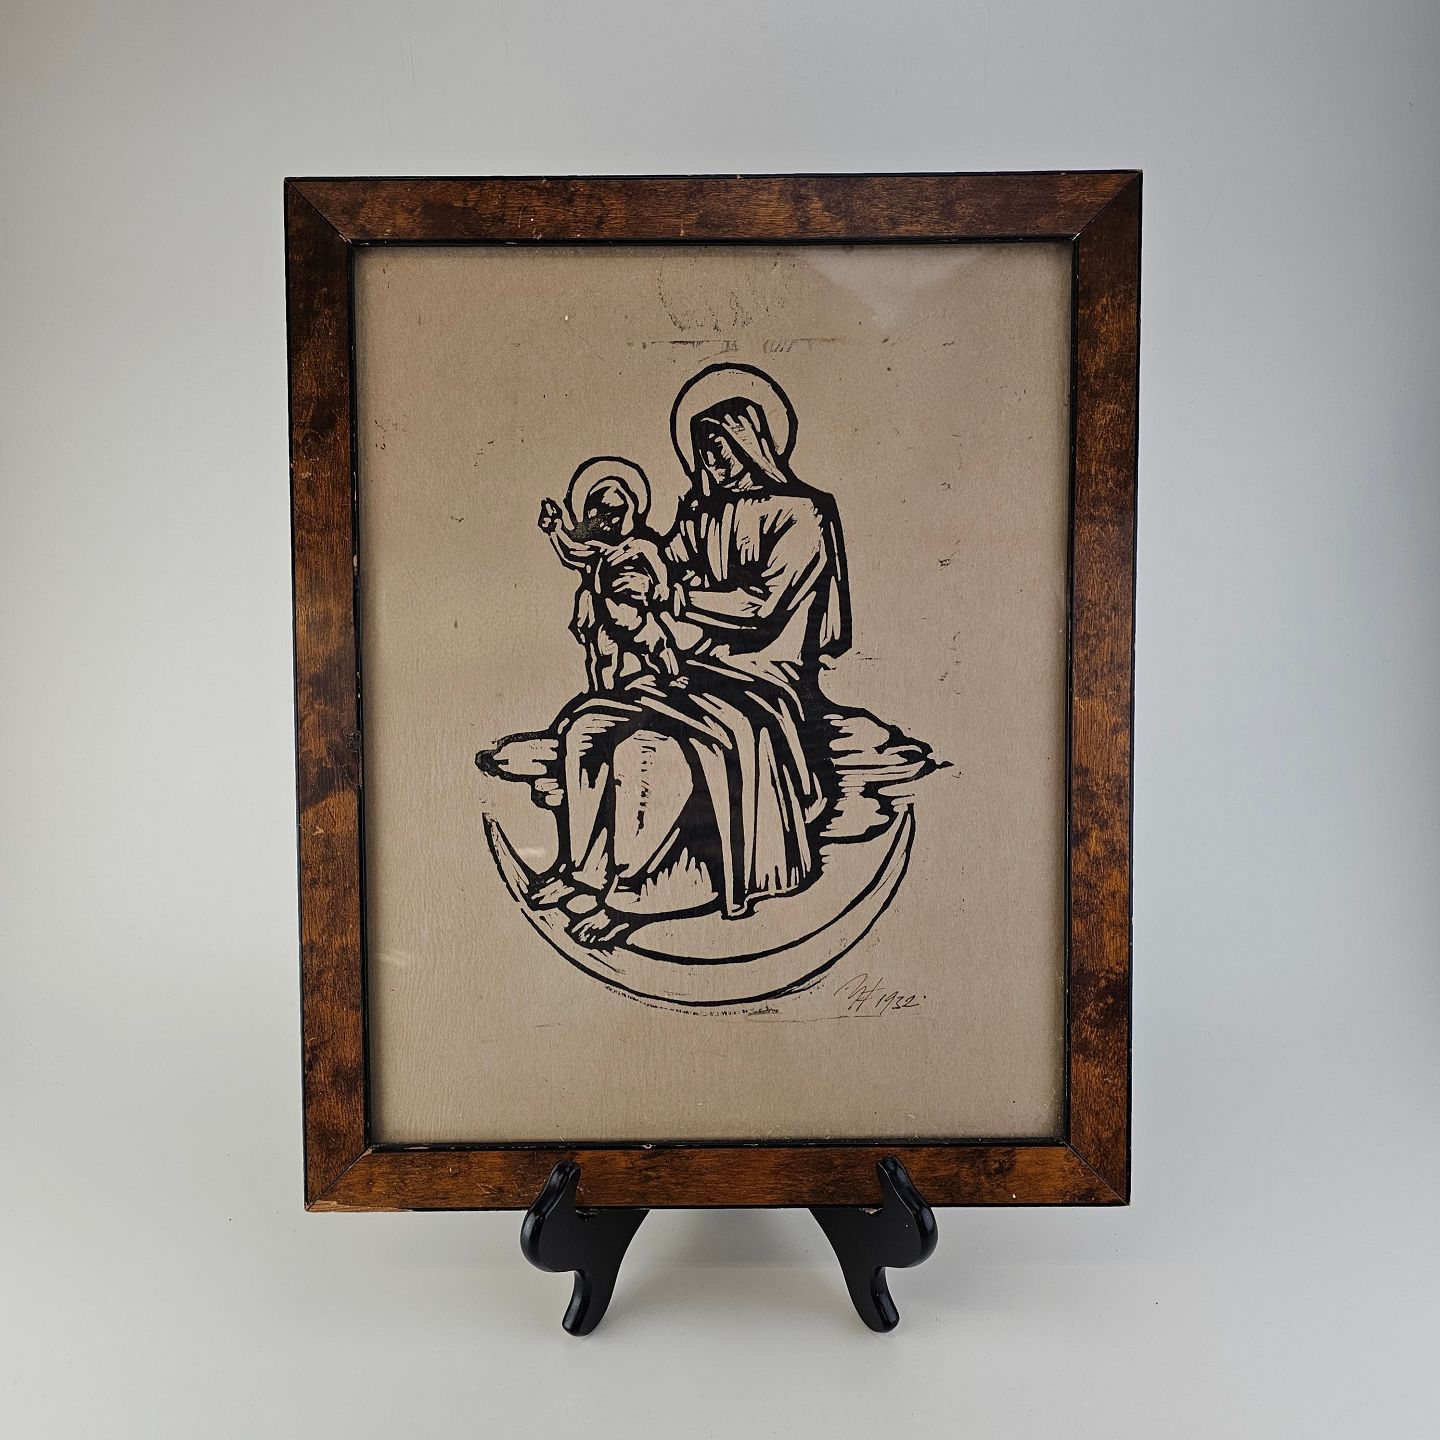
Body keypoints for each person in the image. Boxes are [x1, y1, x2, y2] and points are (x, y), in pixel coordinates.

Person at [527, 368, 850, 947]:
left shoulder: (802, 513)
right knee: (585, 729)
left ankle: (630, 896)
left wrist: (671, 597)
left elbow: (761, 607)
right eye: (704, 448)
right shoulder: (703, 513)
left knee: (644, 750)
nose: (713, 458)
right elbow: (662, 559)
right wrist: (614, 566)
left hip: (762, 682)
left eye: (721, 444)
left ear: (751, 440)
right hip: (696, 671)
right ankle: (583, 872)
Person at [538, 462, 685, 693]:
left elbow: (657, 564)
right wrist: (555, 529)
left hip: (638, 618)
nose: (603, 523)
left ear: (625, 513)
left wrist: (662, 586)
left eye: (610, 515)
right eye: (595, 515)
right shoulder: (597, 551)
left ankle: (673, 678)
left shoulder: (639, 545)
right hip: (607, 619)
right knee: (605, 660)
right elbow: (570, 552)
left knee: (659, 646)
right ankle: (603, 695)